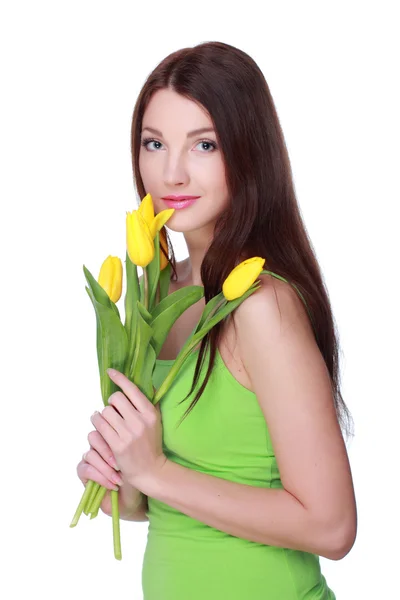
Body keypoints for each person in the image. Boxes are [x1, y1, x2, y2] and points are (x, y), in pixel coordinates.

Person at [76, 41, 357, 599]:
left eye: (204, 144)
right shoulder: (156, 291)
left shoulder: (261, 304)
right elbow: (173, 503)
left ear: (249, 153)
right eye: (153, 143)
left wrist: (155, 472)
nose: (171, 171)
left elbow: (332, 527)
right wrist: (123, 484)